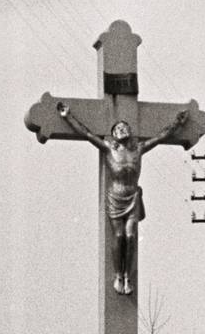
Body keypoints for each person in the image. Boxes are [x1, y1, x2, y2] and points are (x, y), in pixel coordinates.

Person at [56, 101, 191, 293]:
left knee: (131, 236)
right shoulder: (109, 149)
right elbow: (86, 133)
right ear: (114, 135)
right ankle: (118, 274)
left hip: (133, 197)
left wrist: (177, 123)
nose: (122, 129)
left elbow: (161, 136)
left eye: (124, 126)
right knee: (119, 236)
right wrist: (68, 116)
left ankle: (128, 276)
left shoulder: (139, 149)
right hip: (116, 197)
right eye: (118, 128)